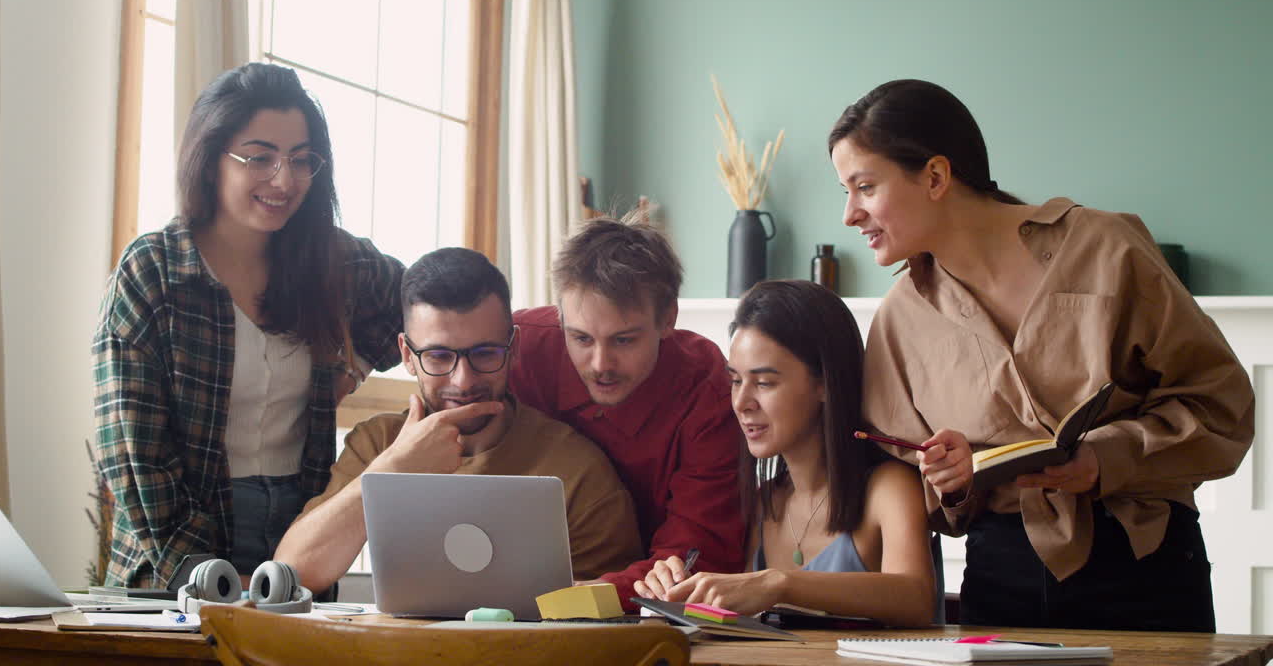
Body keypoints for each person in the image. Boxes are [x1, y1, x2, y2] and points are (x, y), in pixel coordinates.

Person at [829, 79, 1254, 631]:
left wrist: (1105, 457)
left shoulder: (1106, 248)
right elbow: (906, 481)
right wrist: (952, 478)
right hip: (1000, 580)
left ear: (935, 176)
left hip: (1145, 562)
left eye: (864, 187)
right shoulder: (900, 320)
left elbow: (1220, 404)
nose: (849, 214)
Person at [94, 63, 405, 588]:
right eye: (259, 157)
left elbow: (418, 302)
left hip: (298, 533)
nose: (284, 180)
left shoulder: (331, 260)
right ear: (210, 158)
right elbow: (135, 461)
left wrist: (354, 366)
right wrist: (205, 577)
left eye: (300, 159)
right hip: (173, 548)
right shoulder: (154, 271)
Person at [274, 248, 643, 594]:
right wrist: (395, 468)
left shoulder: (577, 469)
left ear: (513, 348)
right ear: (407, 355)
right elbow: (294, 574)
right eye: (438, 356)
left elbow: (614, 616)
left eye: (485, 353)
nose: (463, 381)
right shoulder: (378, 444)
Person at [633, 280, 936, 627]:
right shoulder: (763, 503)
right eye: (735, 381)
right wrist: (675, 587)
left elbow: (916, 598)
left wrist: (780, 583)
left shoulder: (888, 488)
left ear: (825, 382)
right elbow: (735, 618)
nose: (742, 403)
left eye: (764, 383)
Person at [510, 215, 747, 608]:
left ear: (667, 318)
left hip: (641, 606)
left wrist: (572, 599)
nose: (601, 364)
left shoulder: (707, 388)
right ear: (560, 316)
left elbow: (696, 555)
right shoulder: (517, 348)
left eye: (623, 340)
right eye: (581, 338)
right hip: (519, 582)